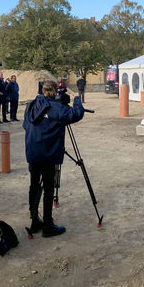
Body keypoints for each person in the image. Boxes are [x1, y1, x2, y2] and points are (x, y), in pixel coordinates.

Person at [23, 80, 85, 238]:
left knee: (34, 185)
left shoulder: (31, 105)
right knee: (48, 188)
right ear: (56, 92)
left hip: (33, 152)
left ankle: (34, 219)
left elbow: (25, 125)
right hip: (49, 154)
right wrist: (76, 99)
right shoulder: (57, 109)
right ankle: (48, 225)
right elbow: (77, 114)